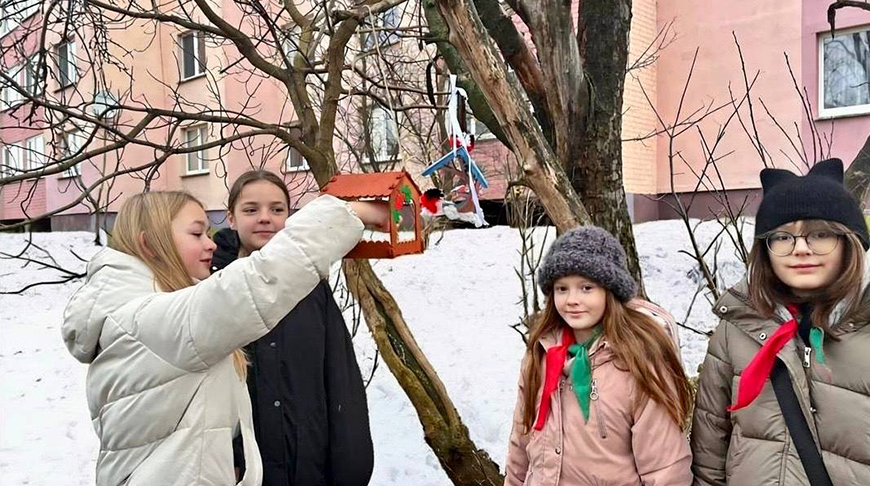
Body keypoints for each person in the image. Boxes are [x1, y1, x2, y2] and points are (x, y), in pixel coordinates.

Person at [61, 190, 387, 486]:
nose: (211, 244)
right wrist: (352, 212)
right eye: (196, 234)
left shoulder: (142, 312)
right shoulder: (146, 320)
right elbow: (257, 283)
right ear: (150, 245)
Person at [691, 158, 870, 486]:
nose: (800, 249)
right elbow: (710, 450)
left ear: (849, 241)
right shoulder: (736, 329)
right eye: (783, 237)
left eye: (820, 234)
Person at [212, 170, 373, 486]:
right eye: (251, 209)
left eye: (277, 209)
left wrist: (350, 462)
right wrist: (230, 458)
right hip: (240, 469)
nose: (265, 218)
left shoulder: (310, 286)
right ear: (231, 218)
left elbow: (339, 375)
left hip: (307, 462)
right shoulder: (212, 286)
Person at [504, 225, 693, 486]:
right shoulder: (541, 356)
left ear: (609, 291)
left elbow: (666, 468)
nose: (572, 300)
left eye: (586, 288)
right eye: (562, 288)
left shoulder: (638, 362)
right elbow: (521, 442)